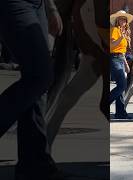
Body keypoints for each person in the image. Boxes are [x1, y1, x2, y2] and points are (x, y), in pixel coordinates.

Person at [0, 0, 63, 179]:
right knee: (40, 76)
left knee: (38, 85)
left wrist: (51, 7)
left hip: (38, 5)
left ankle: (34, 165)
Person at [110, 10, 133, 119]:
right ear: (117, 20)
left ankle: (120, 112)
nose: (123, 21)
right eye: (121, 19)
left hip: (120, 59)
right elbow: (111, 46)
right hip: (113, 58)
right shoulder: (115, 30)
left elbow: (122, 51)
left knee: (121, 87)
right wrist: (121, 38)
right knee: (122, 85)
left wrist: (126, 64)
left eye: (124, 19)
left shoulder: (123, 32)